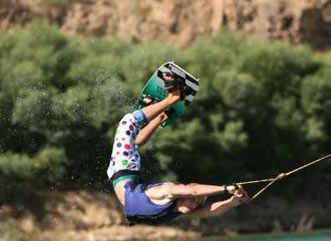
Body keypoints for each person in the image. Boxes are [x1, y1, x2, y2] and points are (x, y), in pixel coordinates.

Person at [107, 77, 250, 225]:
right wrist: (227, 189)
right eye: (195, 200)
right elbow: (193, 191)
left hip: (123, 172)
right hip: (123, 169)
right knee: (127, 123)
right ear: (183, 193)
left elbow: (208, 211)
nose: (194, 204)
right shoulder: (166, 191)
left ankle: (161, 116)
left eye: (197, 203)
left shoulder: (175, 210)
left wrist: (234, 201)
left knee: (134, 141)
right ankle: (173, 98)